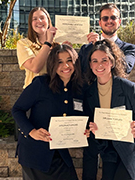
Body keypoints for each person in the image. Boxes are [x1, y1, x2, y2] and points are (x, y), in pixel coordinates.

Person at [82, 39, 135, 180]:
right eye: (94, 61)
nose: (99, 65)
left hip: (131, 149)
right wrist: (92, 129)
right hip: (108, 151)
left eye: (104, 60)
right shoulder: (89, 93)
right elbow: (90, 125)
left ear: (112, 62)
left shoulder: (129, 88)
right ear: (90, 64)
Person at [12, 44, 87, 180]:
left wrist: (85, 129)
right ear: (52, 64)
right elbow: (17, 109)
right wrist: (31, 131)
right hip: (35, 152)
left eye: (69, 60)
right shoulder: (40, 84)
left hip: (60, 152)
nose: (66, 66)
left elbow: (79, 115)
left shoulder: (78, 89)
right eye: (60, 62)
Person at [79, 3, 135, 75]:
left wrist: (101, 46)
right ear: (100, 23)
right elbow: (78, 72)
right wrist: (67, 49)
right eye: (105, 18)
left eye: (113, 18)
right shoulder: (85, 49)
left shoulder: (129, 48)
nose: (109, 21)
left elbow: (125, 68)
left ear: (119, 22)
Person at [17, 7, 57, 89]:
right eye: (34, 19)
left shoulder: (59, 44)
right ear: (30, 23)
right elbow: (35, 67)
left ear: (48, 21)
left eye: (42, 18)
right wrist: (48, 43)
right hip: (34, 93)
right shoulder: (23, 44)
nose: (39, 21)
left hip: (55, 91)